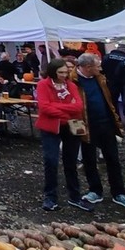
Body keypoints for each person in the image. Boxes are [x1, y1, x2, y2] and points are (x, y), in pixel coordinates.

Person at [73, 53, 125, 210]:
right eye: (97, 66)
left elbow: (109, 100)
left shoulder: (100, 78)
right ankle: (95, 190)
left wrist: (115, 119)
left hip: (106, 123)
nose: (100, 68)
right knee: (89, 159)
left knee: (113, 158)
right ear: (88, 67)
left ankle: (119, 192)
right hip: (85, 124)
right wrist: (75, 127)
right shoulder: (73, 81)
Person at [35, 59, 90, 212]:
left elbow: (78, 106)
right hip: (50, 127)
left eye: (66, 72)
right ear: (53, 72)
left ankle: (75, 196)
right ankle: (50, 196)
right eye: (60, 72)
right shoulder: (43, 85)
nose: (64, 75)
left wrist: (57, 107)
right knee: (51, 161)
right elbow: (44, 107)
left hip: (71, 127)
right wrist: (66, 110)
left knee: (71, 161)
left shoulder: (71, 85)